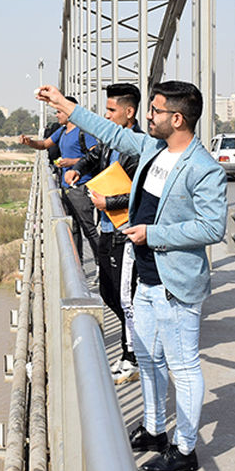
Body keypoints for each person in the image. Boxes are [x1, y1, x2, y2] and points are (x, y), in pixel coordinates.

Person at [35, 80, 227, 471]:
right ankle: (155, 429)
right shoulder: (154, 150)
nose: (149, 116)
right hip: (145, 274)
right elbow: (111, 132)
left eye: (155, 110)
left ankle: (185, 448)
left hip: (175, 283)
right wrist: (65, 106)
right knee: (149, 357)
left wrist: (152, 235)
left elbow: (212, 227)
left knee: (183, 366)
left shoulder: (204, 169)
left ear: (176, 118)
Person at [64, 82, 143, 382]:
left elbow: (137, 192)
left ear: (128, 111)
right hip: (107, 227)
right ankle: (136, 344)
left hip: (125, 231)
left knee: (125, 298)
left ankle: (132, 357)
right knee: (108, 293)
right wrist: (78, 168)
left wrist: (107, 201)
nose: (106, 115)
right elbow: (95, 156)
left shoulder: (137, 145)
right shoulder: (111, 140)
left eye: (111, 110)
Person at [19, 96, 99, 262]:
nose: (56, 115)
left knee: (88, 228)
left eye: (59, 111)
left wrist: (72, 162)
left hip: (81, 187)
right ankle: (78, 265)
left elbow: (95, 155)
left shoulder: (84, 131)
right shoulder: (62, 131)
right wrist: (29, 142)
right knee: (73, 228)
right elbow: (44, 144)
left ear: (69, 112)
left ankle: (101, 264)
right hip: (65, 187)